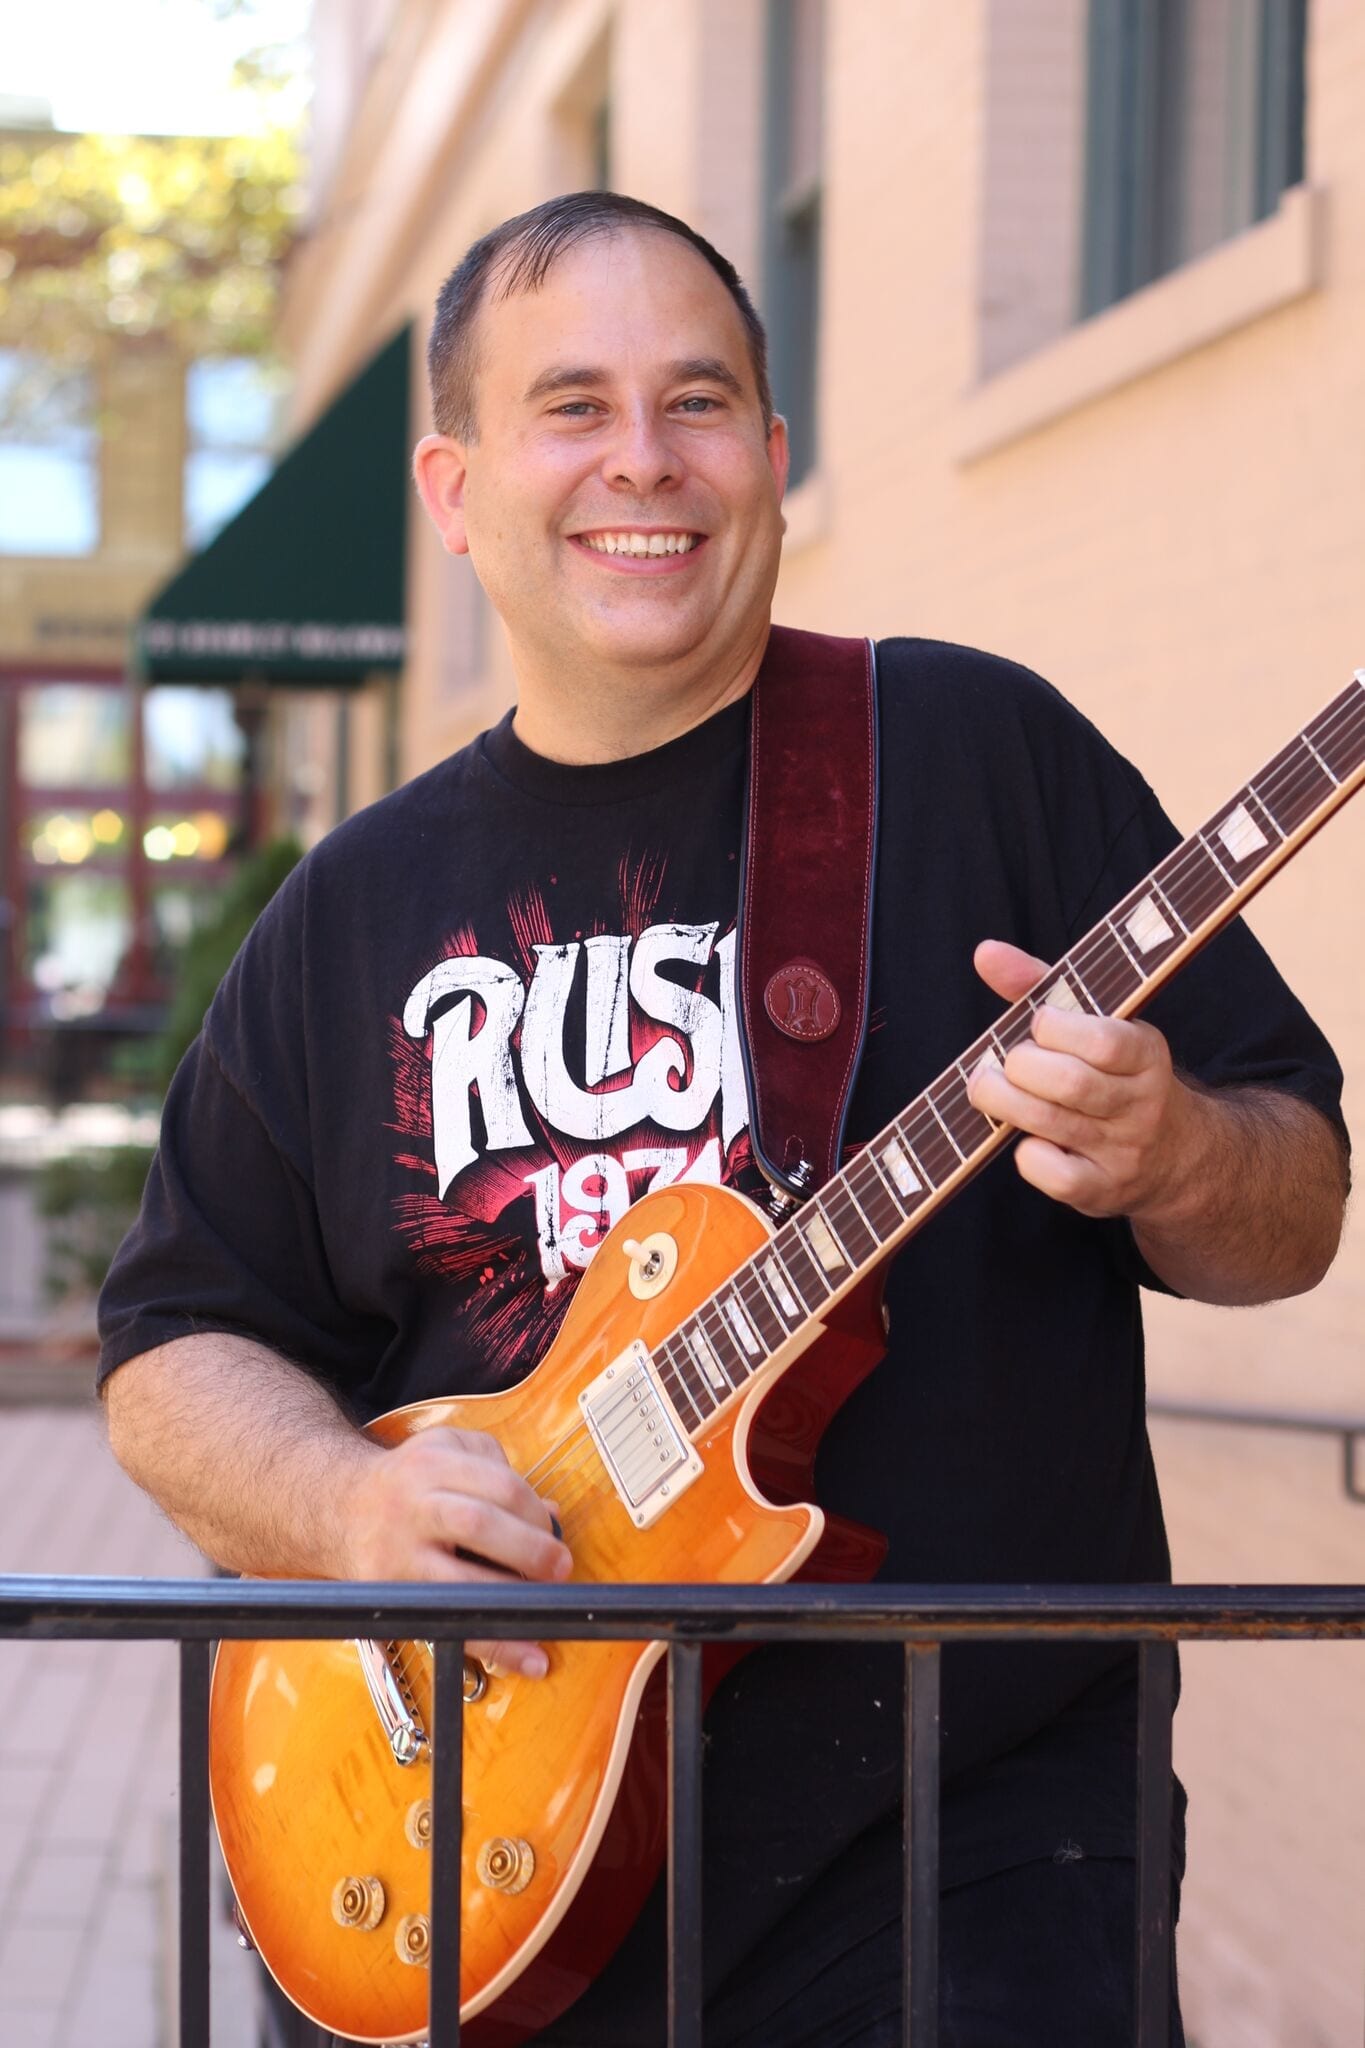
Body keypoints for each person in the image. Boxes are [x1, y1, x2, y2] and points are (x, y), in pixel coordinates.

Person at [98, 192, 1349, 2047]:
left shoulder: (972, 753)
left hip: (968, 1850)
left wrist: (1175, 1152)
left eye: (695, 403)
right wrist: (347, 1501)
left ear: (769, 457)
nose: (642, 462)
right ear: (453, 490)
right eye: (571, 405)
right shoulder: (350, 908)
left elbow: (1295, 1202)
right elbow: (170, 1348)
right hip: (473, 1861)